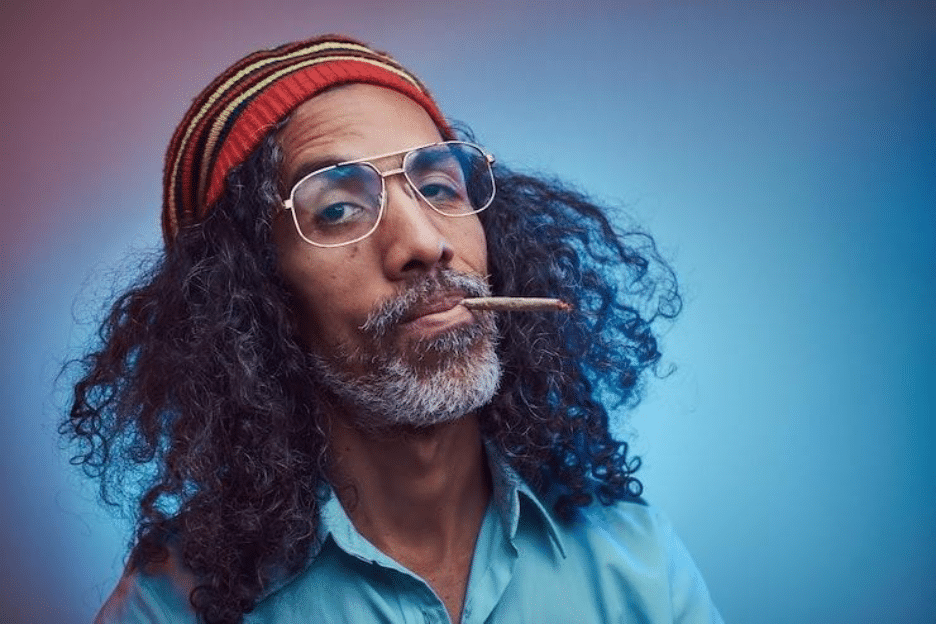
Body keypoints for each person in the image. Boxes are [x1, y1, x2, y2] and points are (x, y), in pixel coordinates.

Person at [64, 35, 723, 624]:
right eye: (340, 208)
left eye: (437, 187)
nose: (427, 243)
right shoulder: (172, 607)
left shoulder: (632, 560)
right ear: (250, 301)